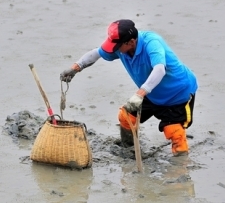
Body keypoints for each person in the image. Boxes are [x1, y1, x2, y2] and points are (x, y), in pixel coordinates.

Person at [60, 19, 198, 156]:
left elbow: (159, 69)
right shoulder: (121, 49)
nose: (114, 50)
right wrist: (75, 68)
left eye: (117, 46)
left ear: (131, 42)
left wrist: (140, 94)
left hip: (178, 93)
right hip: (151, 91)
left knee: (174, 131)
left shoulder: (152, 43)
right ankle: (129, 150)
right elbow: (97, 53)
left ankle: (181, 169)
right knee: (126, 117)